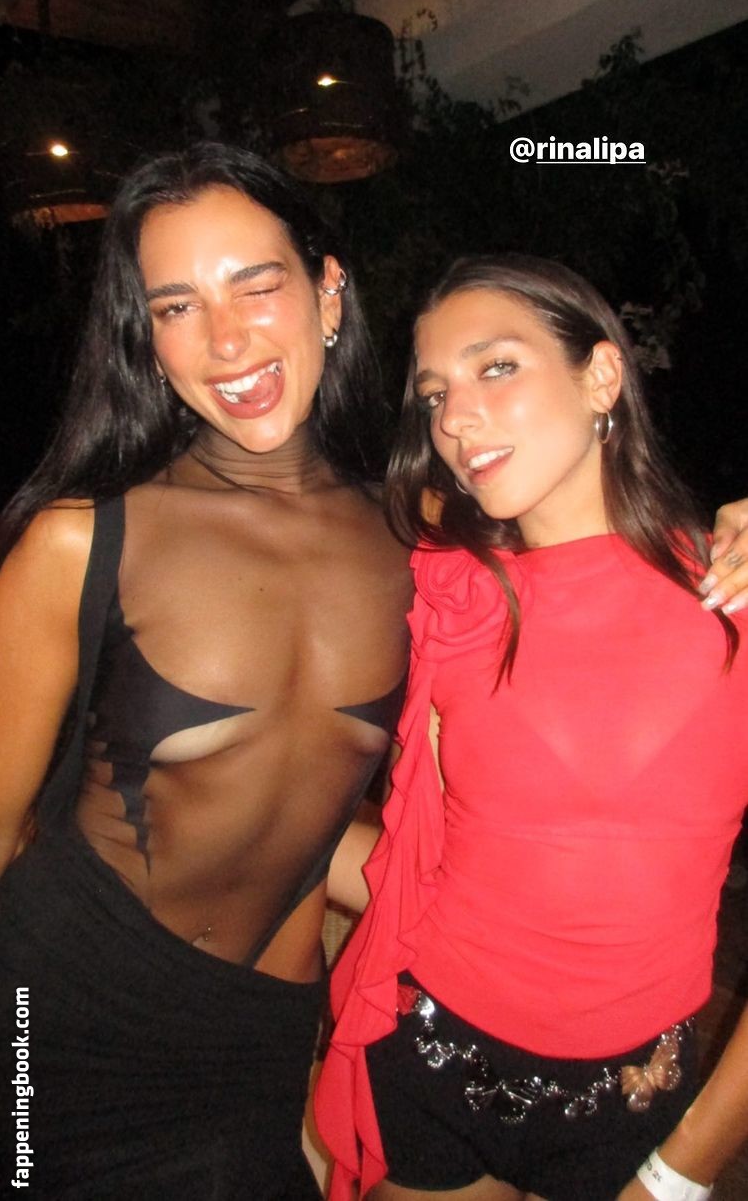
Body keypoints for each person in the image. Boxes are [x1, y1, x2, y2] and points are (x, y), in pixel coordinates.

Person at [0, 143, 413, 1199]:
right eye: (176, 306)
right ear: (147, 339)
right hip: (56, 1013)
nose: (226, 338)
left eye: (256, 284)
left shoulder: (418, 538)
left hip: (257, 1035)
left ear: (327, 292)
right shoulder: (82, 540)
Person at [315, 254, 748, 1201]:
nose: (456, 420)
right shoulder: (448, 588)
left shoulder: (731, 600)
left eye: (497, 366)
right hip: (432, 1058)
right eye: (435, 394)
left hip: (632, 1100)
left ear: (603, 374)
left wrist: (681, 1173)